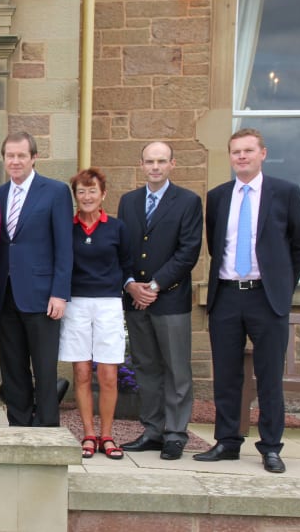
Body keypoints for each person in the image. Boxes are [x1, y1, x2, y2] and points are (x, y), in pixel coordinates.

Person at [195, 128, 300, 474]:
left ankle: (271, 447)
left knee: (269, 377)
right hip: (228, 296)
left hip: (267, 297)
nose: (242, 157)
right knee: (227, 376)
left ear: (263, 153)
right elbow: (217, 246)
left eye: (248, 151)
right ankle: (227, 442)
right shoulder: (217, 197)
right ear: (230, 157)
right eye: (236, 152)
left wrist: (281, 283)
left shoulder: (285, 193)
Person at [117, 142, 203, 461]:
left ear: (172, 165)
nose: (155, 166)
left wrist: (153, 286)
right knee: (146, 368)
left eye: (161, 161)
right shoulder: (129, 202)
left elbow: (188, 252)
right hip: (135, 300)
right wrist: (130, 285)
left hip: (169, 300)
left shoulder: (188, 201)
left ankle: (176, 433)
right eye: (150, 161)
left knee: (176, 369)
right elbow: (123, 249)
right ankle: (152, 429)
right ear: (141, 165)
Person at [0, 131, 72, 427]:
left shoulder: (55, 191)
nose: (15, 161)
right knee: (12, 366)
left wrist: (60, 293)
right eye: (10, 156)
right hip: (5, 293)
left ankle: (48, 425)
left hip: (42, 295)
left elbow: (64, 246)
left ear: (34, 157)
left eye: (21, 155)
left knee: (44, 367)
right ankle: (19, 423)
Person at [60, 168, 131, 460]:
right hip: (76, 303)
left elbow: (126, 265)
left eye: (92, 191)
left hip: (108, 304)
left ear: (103, 194)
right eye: (81, 191)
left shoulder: (117, 228)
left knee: (108, 374)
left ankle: (107, 435)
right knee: (81, 372)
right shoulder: (68, 227)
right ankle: (88, 434)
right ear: (75, 196)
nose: (87, 196)